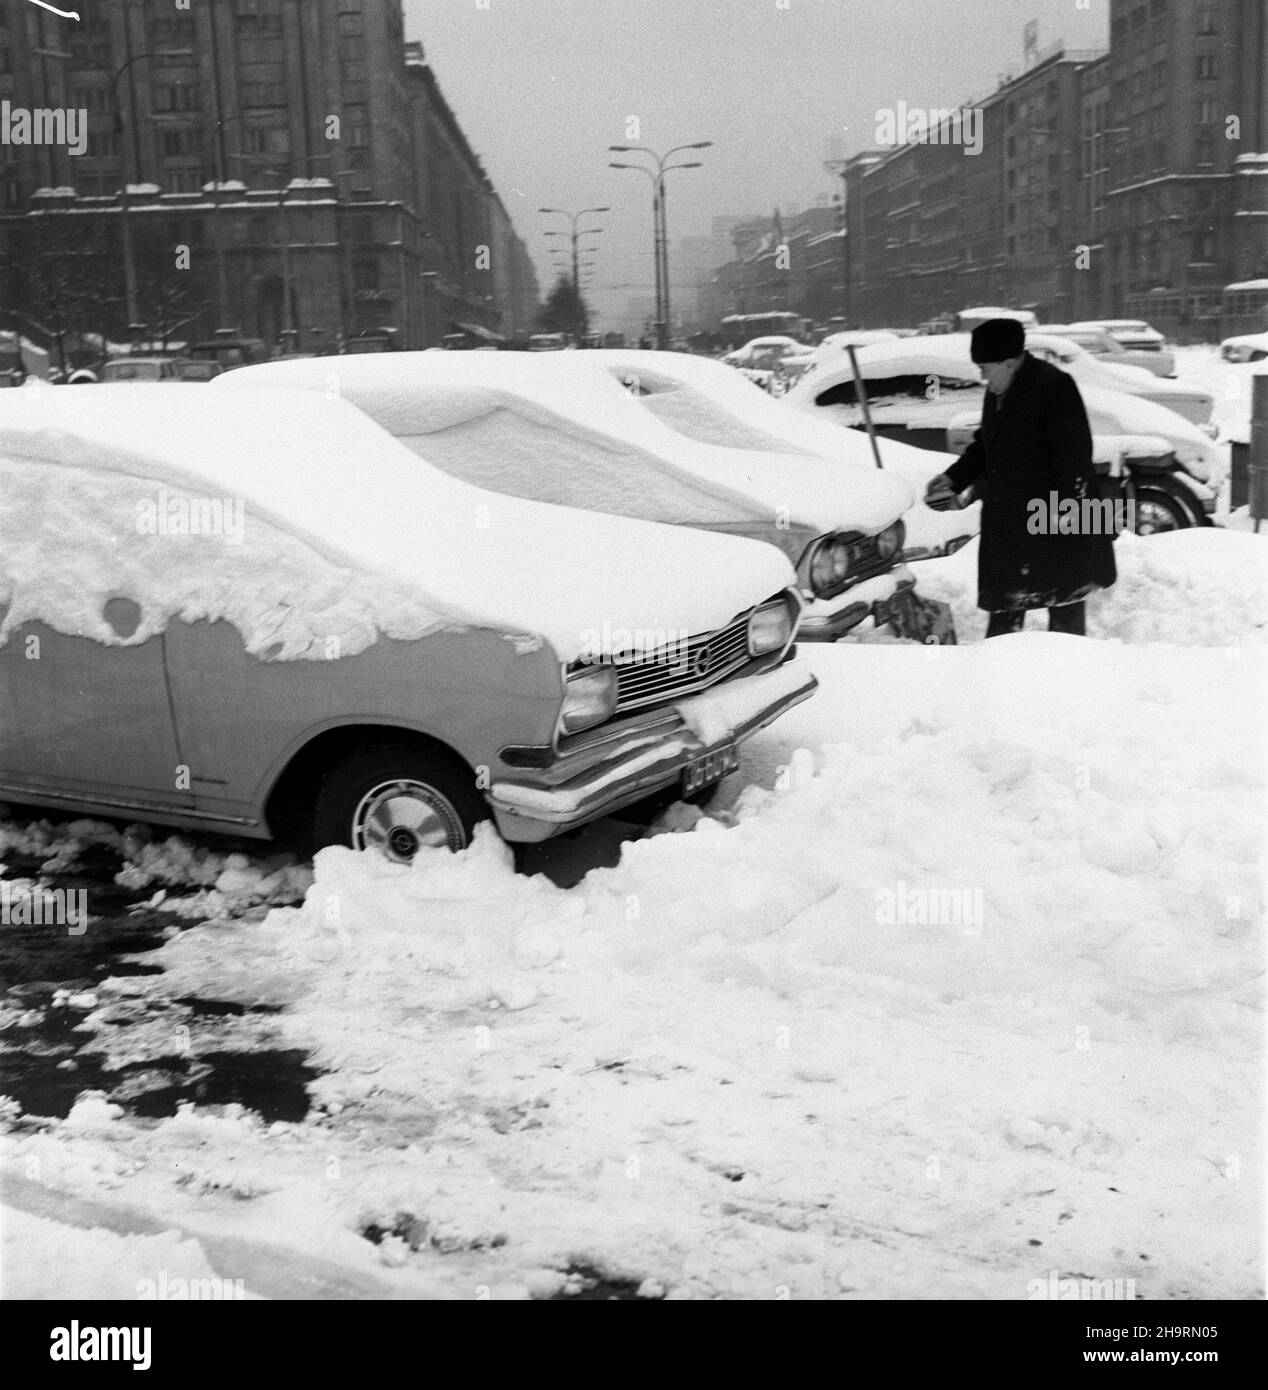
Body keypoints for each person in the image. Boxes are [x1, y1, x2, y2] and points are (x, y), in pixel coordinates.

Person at [924, 317, 1115, 637]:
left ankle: (1069, 682)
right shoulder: (998, 391)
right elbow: (986, 445)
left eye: (985, 368)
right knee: (1004, 611)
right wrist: (954, 478)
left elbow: (1075, 459)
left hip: (1055, 523)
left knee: (1064, 616)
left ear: (1010, 362)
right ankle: (1002, 680)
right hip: (1010, 526)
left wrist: (1066, 520)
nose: (982, 376)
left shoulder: (1054, 387)